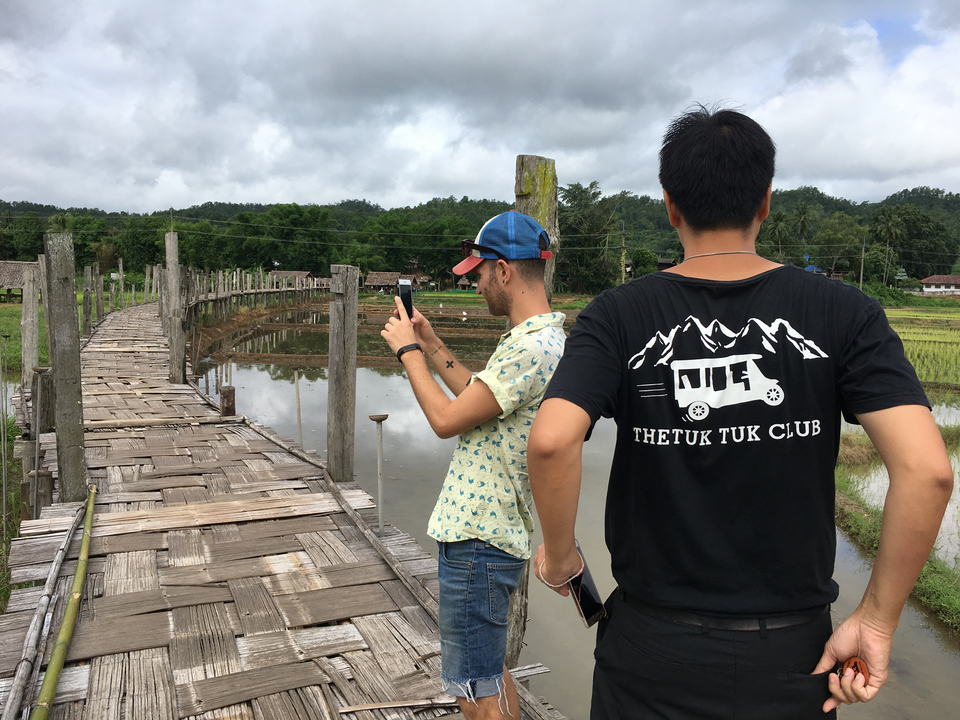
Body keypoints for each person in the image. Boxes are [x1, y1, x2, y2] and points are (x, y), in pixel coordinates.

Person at [527, 107, 954, 719]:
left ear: (670, 205)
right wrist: (877, 621)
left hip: (649, 649)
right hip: (790, 655)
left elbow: (549, 442)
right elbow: (929, 471)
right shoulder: (845, 311)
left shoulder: (617, 314)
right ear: (766, 202)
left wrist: (562, 554)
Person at [381, 211, 565, 719]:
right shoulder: (540, 341)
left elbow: (444, 420)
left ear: (504, 271)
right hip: (490, 536)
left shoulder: (531, 346)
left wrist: (409, 352)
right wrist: (433, 342)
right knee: (490, 671)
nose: (477, 284)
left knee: (472, 689)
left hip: (479, 540)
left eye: (479, 273)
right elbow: (472, 400)